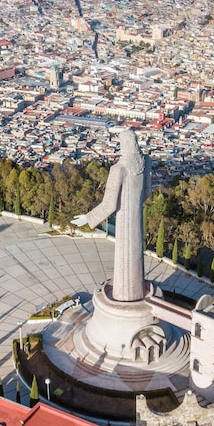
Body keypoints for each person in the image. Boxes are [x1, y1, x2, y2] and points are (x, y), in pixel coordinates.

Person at [72, 129, 151, 302]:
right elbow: (147, 193)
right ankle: (137, 293)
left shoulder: (119, 169)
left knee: (124, 258)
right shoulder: (145, 162)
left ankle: (124, 298)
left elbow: (109, 204)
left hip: (124, 220)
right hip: (137, 220)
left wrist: (88, 218)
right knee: (135, 256)